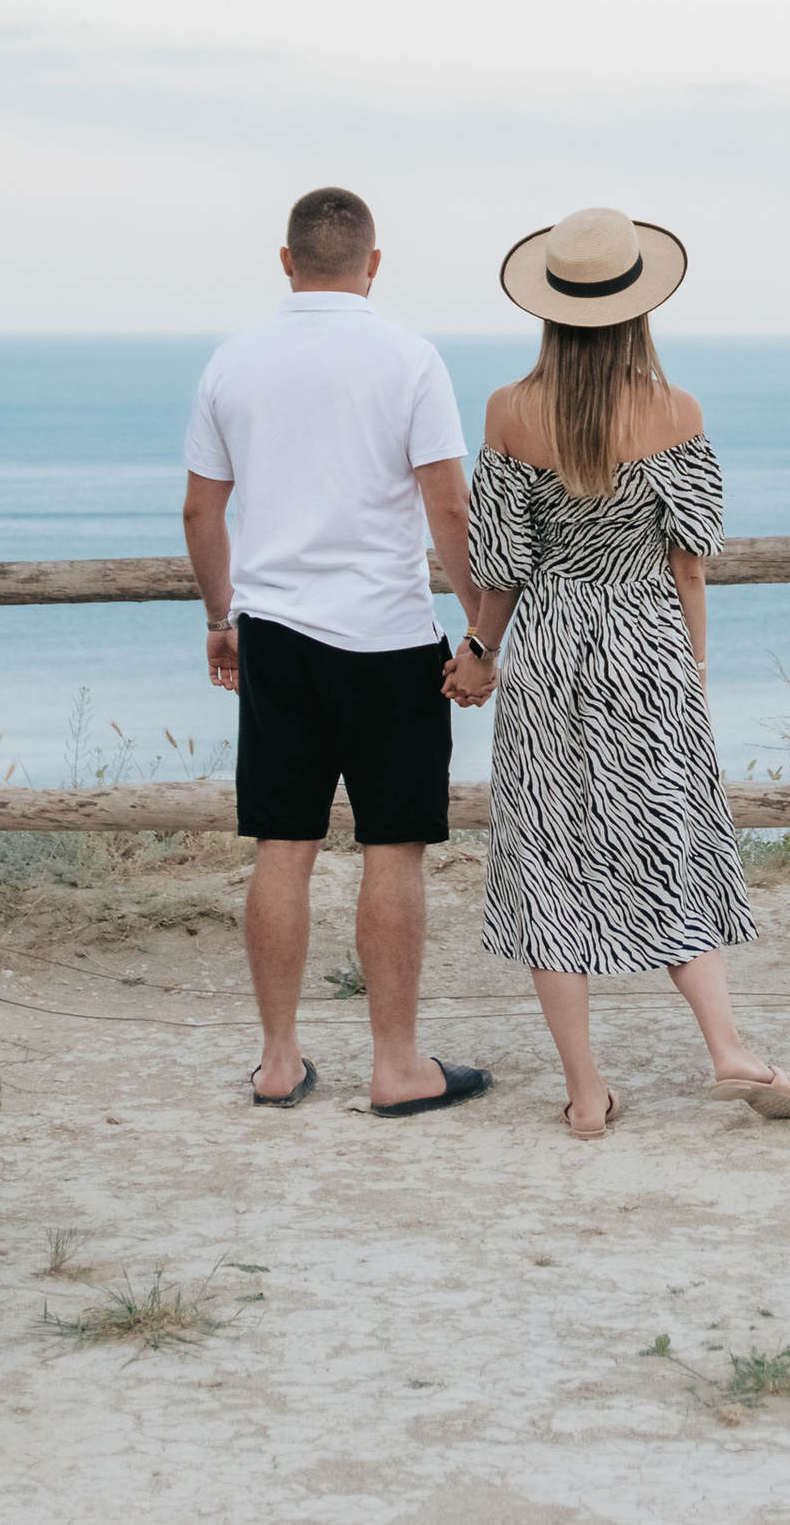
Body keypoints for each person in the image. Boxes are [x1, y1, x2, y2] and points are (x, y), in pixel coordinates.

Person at [450, 205, 790, 1137]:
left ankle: (584, 1095)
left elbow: (502, 566)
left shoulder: (507, 412)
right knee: (667, 841)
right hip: (645, 641)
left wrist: (481, 653)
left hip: (556, 647)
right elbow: (690, 561)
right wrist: (690, 669)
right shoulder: (675, 411)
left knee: (548, 855)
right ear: (639, 307)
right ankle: (728, 1048)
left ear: (550, 307)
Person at [182, 185, 495, 1117]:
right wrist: (479, 631)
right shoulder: (409, 359)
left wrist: (220, 618)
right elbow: (449, 508)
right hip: (389, 638)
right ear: (374, 263)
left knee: (285, 845)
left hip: (277, 636)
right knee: (392, 850)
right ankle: (397, 1067)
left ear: (285, 261)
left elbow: (203, 510)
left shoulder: (232, 363)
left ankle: (278, 1061)